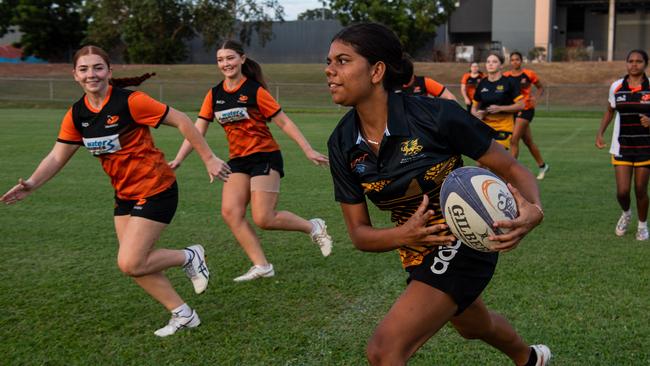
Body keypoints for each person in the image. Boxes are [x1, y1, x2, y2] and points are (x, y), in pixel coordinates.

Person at [325, 23, 550, 365]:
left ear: (376, 71)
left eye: (342, 61)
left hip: (464, 235)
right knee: (474, 325)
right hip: (415, 250)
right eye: (329, 61)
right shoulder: (341, 144)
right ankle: (530, 359)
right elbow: (359, 234)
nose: (329, 70)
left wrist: (534, 208)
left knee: (384, 351)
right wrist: (405, 234)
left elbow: (512, 169)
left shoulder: (435, 116)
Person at [0, 45, 232, 337]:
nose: (91, 74)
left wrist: (209, 158)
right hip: (124, 194)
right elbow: (57, 156)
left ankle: (189, 256)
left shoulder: (131, 102)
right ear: (75, 75)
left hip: (156, 186)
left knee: (130, 260)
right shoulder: (77, 114)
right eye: (84, 69)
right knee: (134, 265)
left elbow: (183, 120)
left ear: (109, 71)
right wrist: (31, 184)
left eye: (98, 67)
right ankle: (183, 314)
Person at [169, 40, 333, 282]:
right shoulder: (214, 95)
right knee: (231, 212)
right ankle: (262, 265)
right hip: (238, 161)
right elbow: (197, 130)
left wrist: (307, 149)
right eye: (220, 60)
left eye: (230, 58)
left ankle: (314, 227)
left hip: (264, 156)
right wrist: (178, 159)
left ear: (242, 59)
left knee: (263, 218)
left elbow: (284, 122)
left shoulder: (255, 91)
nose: (226, 63)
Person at [595, 49, 650, 241]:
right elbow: (610, 110)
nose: (634, 64)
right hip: (622, 146)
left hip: (645, 147)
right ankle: (626, 213)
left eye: (639, 61)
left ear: (645, 64)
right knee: (622, 191)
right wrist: (600, 132)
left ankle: (642, 225)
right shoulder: (617, 86)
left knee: (641, 189)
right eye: (631, 61)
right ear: (626, 64)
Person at [504, 52, 550, 180]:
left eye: (517, 59)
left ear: (521, 60)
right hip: (513, 110)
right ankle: (543, 166)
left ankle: (510, 171)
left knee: (513, 140)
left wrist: (535, 98)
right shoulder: (506, 76)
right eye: (512, 60)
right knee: (528, 141)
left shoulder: (529, 74)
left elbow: (540, 87)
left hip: (526, 109)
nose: (514, 62)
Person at [472, 53, 525, 151]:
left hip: (503, 127)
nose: (490, 64)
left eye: (494, 62)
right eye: (488, 62)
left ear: (501, 65)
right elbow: (473, 108)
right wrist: (479, 114)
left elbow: (521, 105)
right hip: (485, 127)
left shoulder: (509, 83)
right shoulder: (482, 83)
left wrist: (500, 108)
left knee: (494, 157)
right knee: (480, 163)